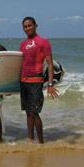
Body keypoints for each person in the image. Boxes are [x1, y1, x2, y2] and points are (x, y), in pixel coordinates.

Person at [20, 16, 59, 144]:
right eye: (25, 26)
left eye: (30, 25)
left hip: (36, 82)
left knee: (35, 113)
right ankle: (30, 140)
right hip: (23, 81)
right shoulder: (23, 44)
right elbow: (20, 64)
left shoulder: (43, 42)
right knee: (28, 112)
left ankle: (41, 142)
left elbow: (50, 64)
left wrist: (50, 83)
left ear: (36, 25)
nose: (27, 28)